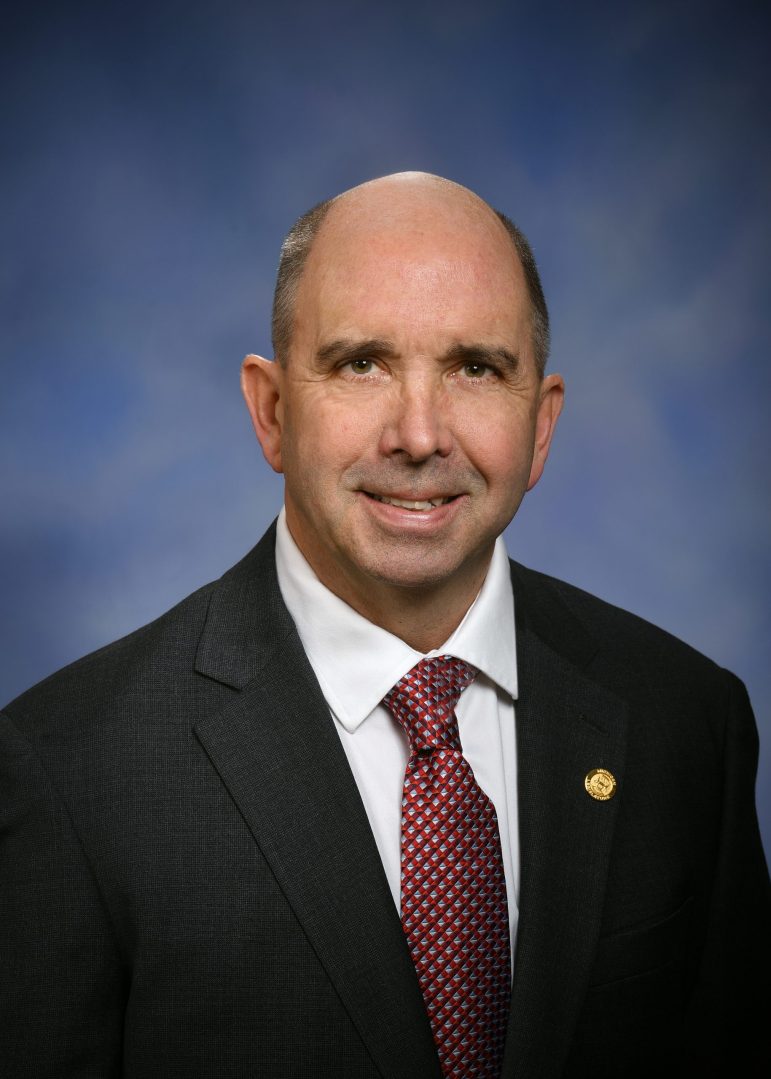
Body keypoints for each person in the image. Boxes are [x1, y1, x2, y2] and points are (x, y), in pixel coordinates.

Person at [1, 172, 768, 1079]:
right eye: (361, 362)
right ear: (273, 410)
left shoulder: (686, 721)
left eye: (474, 368)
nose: (418, 434)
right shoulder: (69, 770)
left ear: (542, 426)